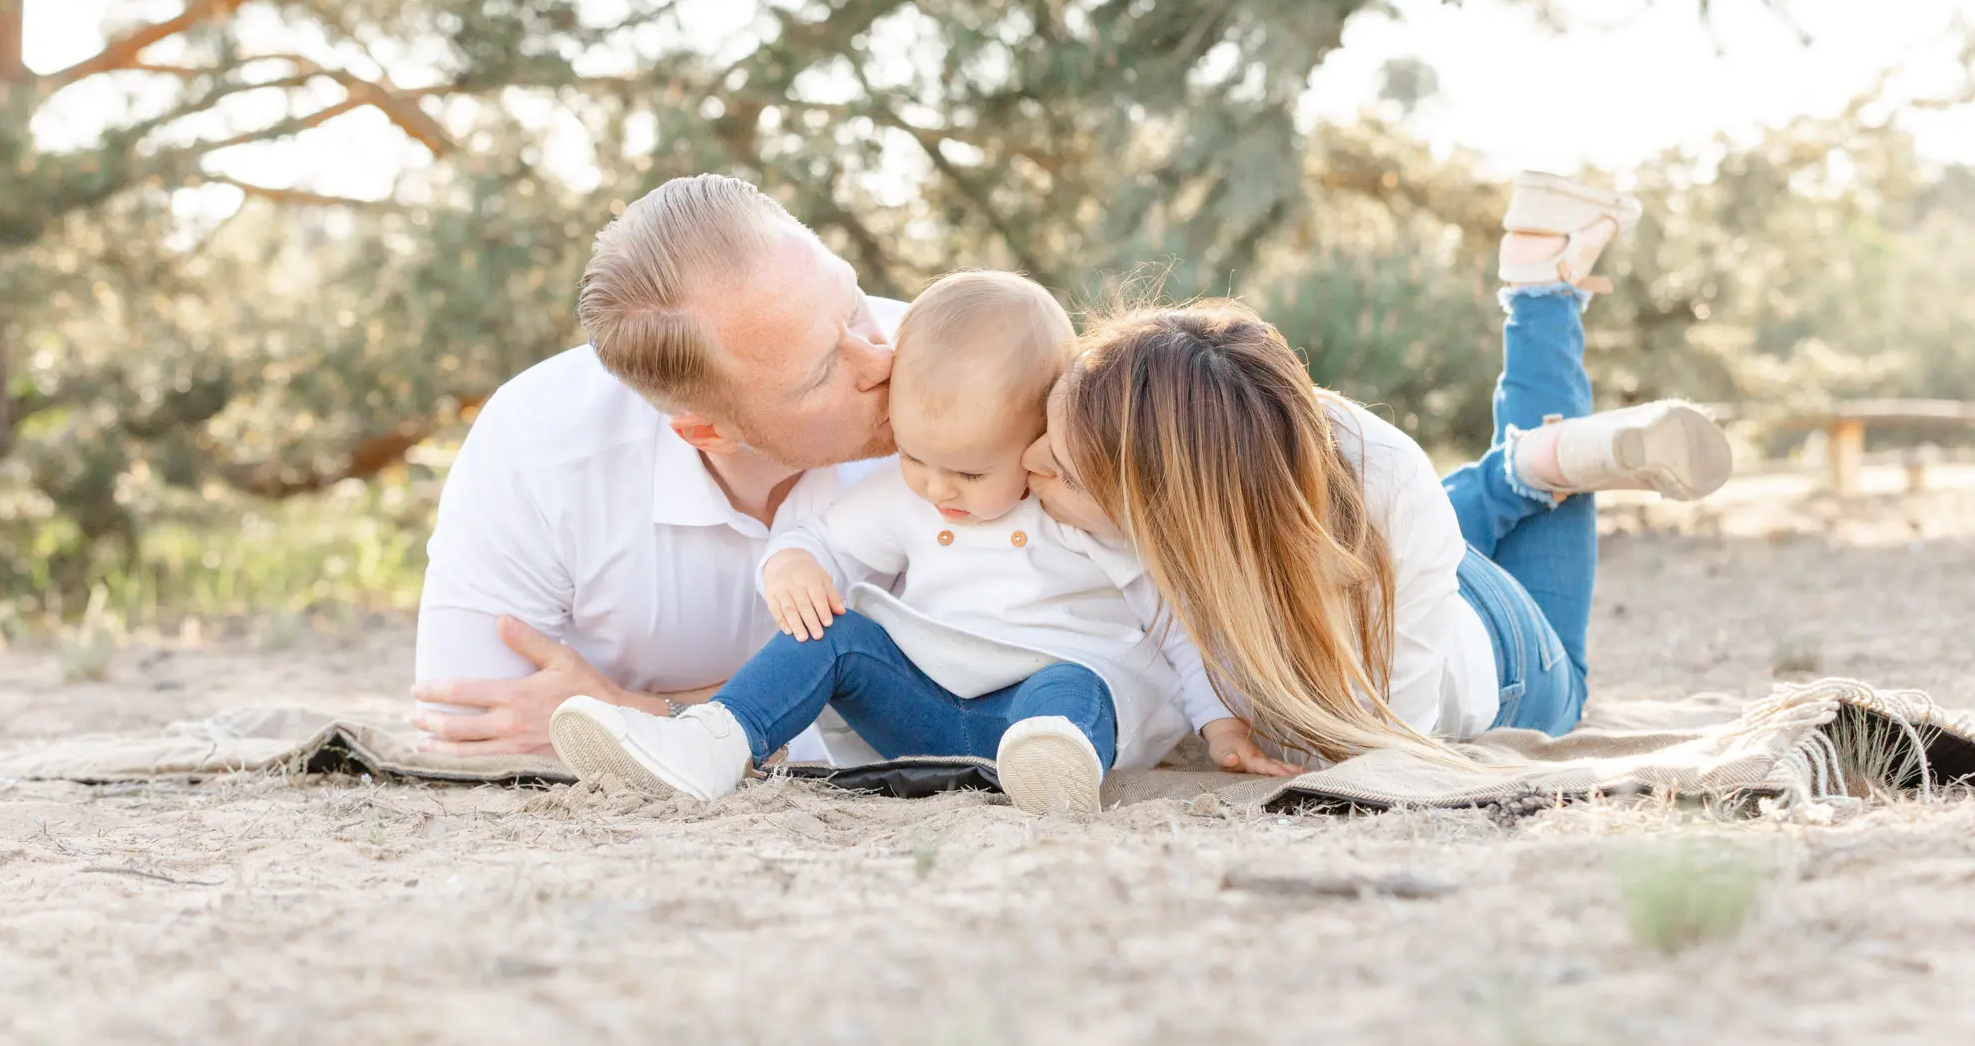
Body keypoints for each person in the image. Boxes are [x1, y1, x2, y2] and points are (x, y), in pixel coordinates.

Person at [1022, 172, 1732, 777]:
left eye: (1062, 472)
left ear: (1170, 506)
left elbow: (1394, 747)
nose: (1028, 463)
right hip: (1377, 546)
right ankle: (1515, 471)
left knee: (1568, 681)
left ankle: (1539, 326)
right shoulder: (1251, 458)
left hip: (1499, 655)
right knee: (1381, 522)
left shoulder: (1379, 490)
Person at [543, 271, 1219, 815]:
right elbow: (823, 541)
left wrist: (1219, 720)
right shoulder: (908, 495)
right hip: (921, 706)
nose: (936, 485)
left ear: (1040, 428)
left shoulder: (1074, 505)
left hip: (1040, 706)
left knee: (1077, 682)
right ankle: (711, 742)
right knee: (834, 632)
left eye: (971, 470)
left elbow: (1177, 620)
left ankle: (1055, 767)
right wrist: (792, 566)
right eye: (915, 455)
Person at [407, 174, 904, 761]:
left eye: (851, 302)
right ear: (707, 431)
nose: (883, 357)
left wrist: (627, 713)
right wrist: (841, 698)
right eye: (822, 373)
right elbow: (471, 728)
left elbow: (976, 706)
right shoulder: (540, 447)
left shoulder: (970, 375)